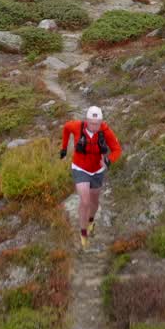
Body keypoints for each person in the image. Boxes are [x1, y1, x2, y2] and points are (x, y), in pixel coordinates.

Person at [60, 106, 122, 250]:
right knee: (85, 201)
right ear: (87, 120)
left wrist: (109, 160)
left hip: (97, 170)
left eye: (98, 123)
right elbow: (66, 128)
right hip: (80, 168)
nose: (95, 127)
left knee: (94, 202)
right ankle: (83, 233)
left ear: (101, 122)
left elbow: (117, 149)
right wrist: (64, 148)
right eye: (92, 123)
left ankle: (91, 221)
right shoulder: (76, 126)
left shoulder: (105, 131)